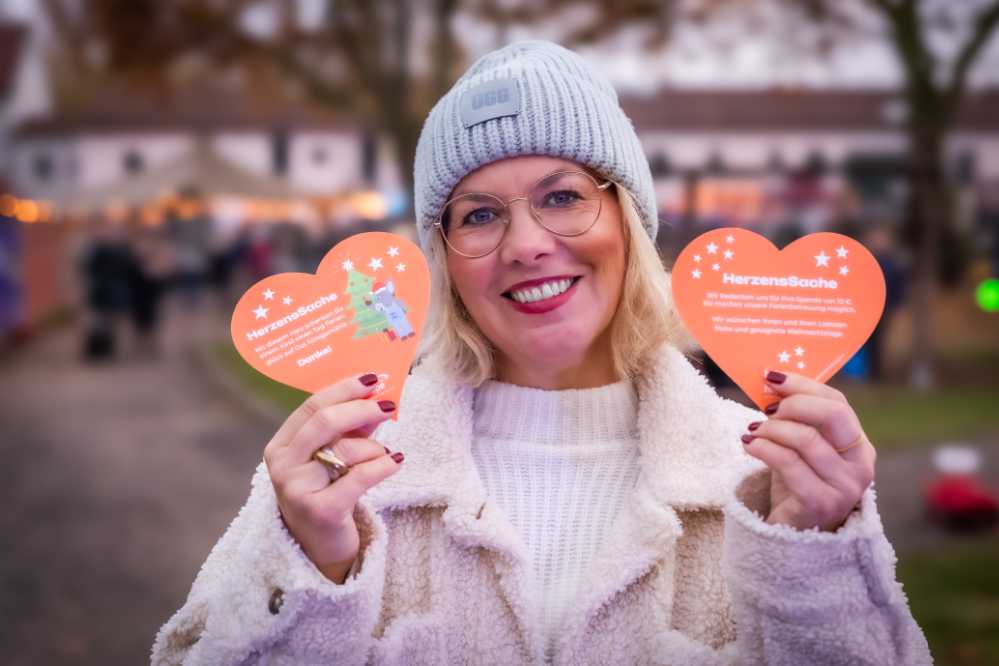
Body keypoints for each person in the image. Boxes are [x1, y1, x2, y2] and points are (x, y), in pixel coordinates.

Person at [153, 41, 931, 665]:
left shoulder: (762, 480)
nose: (526, 245)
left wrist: (810, 562)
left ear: (628, 221)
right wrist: (315, 576)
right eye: (480, 214)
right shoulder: (339, 474)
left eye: (562, 196)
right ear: (445, 257)